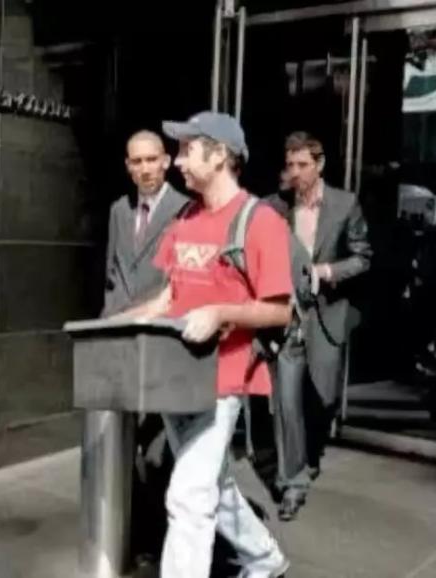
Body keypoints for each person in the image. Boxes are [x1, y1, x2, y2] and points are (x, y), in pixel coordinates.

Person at [113, 111, 292, 578]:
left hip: (221, 380)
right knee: (214, 484)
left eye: (187, 150)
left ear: (218, 156)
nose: (176, 162)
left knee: (188, 497)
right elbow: (169, 297)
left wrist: (220, 313)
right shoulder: (187, 218)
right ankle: (265, 559)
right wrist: (116, 323)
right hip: (176, 378)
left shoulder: (260, 221)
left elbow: (280, 311)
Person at [264, 131, 371, 521]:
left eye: (303, 165)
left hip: (326, 313)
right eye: (290, 165)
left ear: (320, 164)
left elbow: (363, 257)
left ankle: (307, 455)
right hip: (289, 317)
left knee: (321, 399)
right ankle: (292, 481)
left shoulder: (345, 204)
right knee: (287, 401)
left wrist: (326, 271)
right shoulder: (275, 207)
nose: (296, 172)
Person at [102, 129, 189, 566]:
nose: (145, 169)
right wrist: (108, 327)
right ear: (127, 166)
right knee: (123, 444)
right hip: (121, 343)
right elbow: (114, 276)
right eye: (136, 162)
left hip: (163, 342)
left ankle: (159, 541)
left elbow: (182, 284)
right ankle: (134, 538)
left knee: (159, 451)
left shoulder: (186, 210)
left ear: (167, 161)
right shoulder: (119, 210)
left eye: (152, 160)